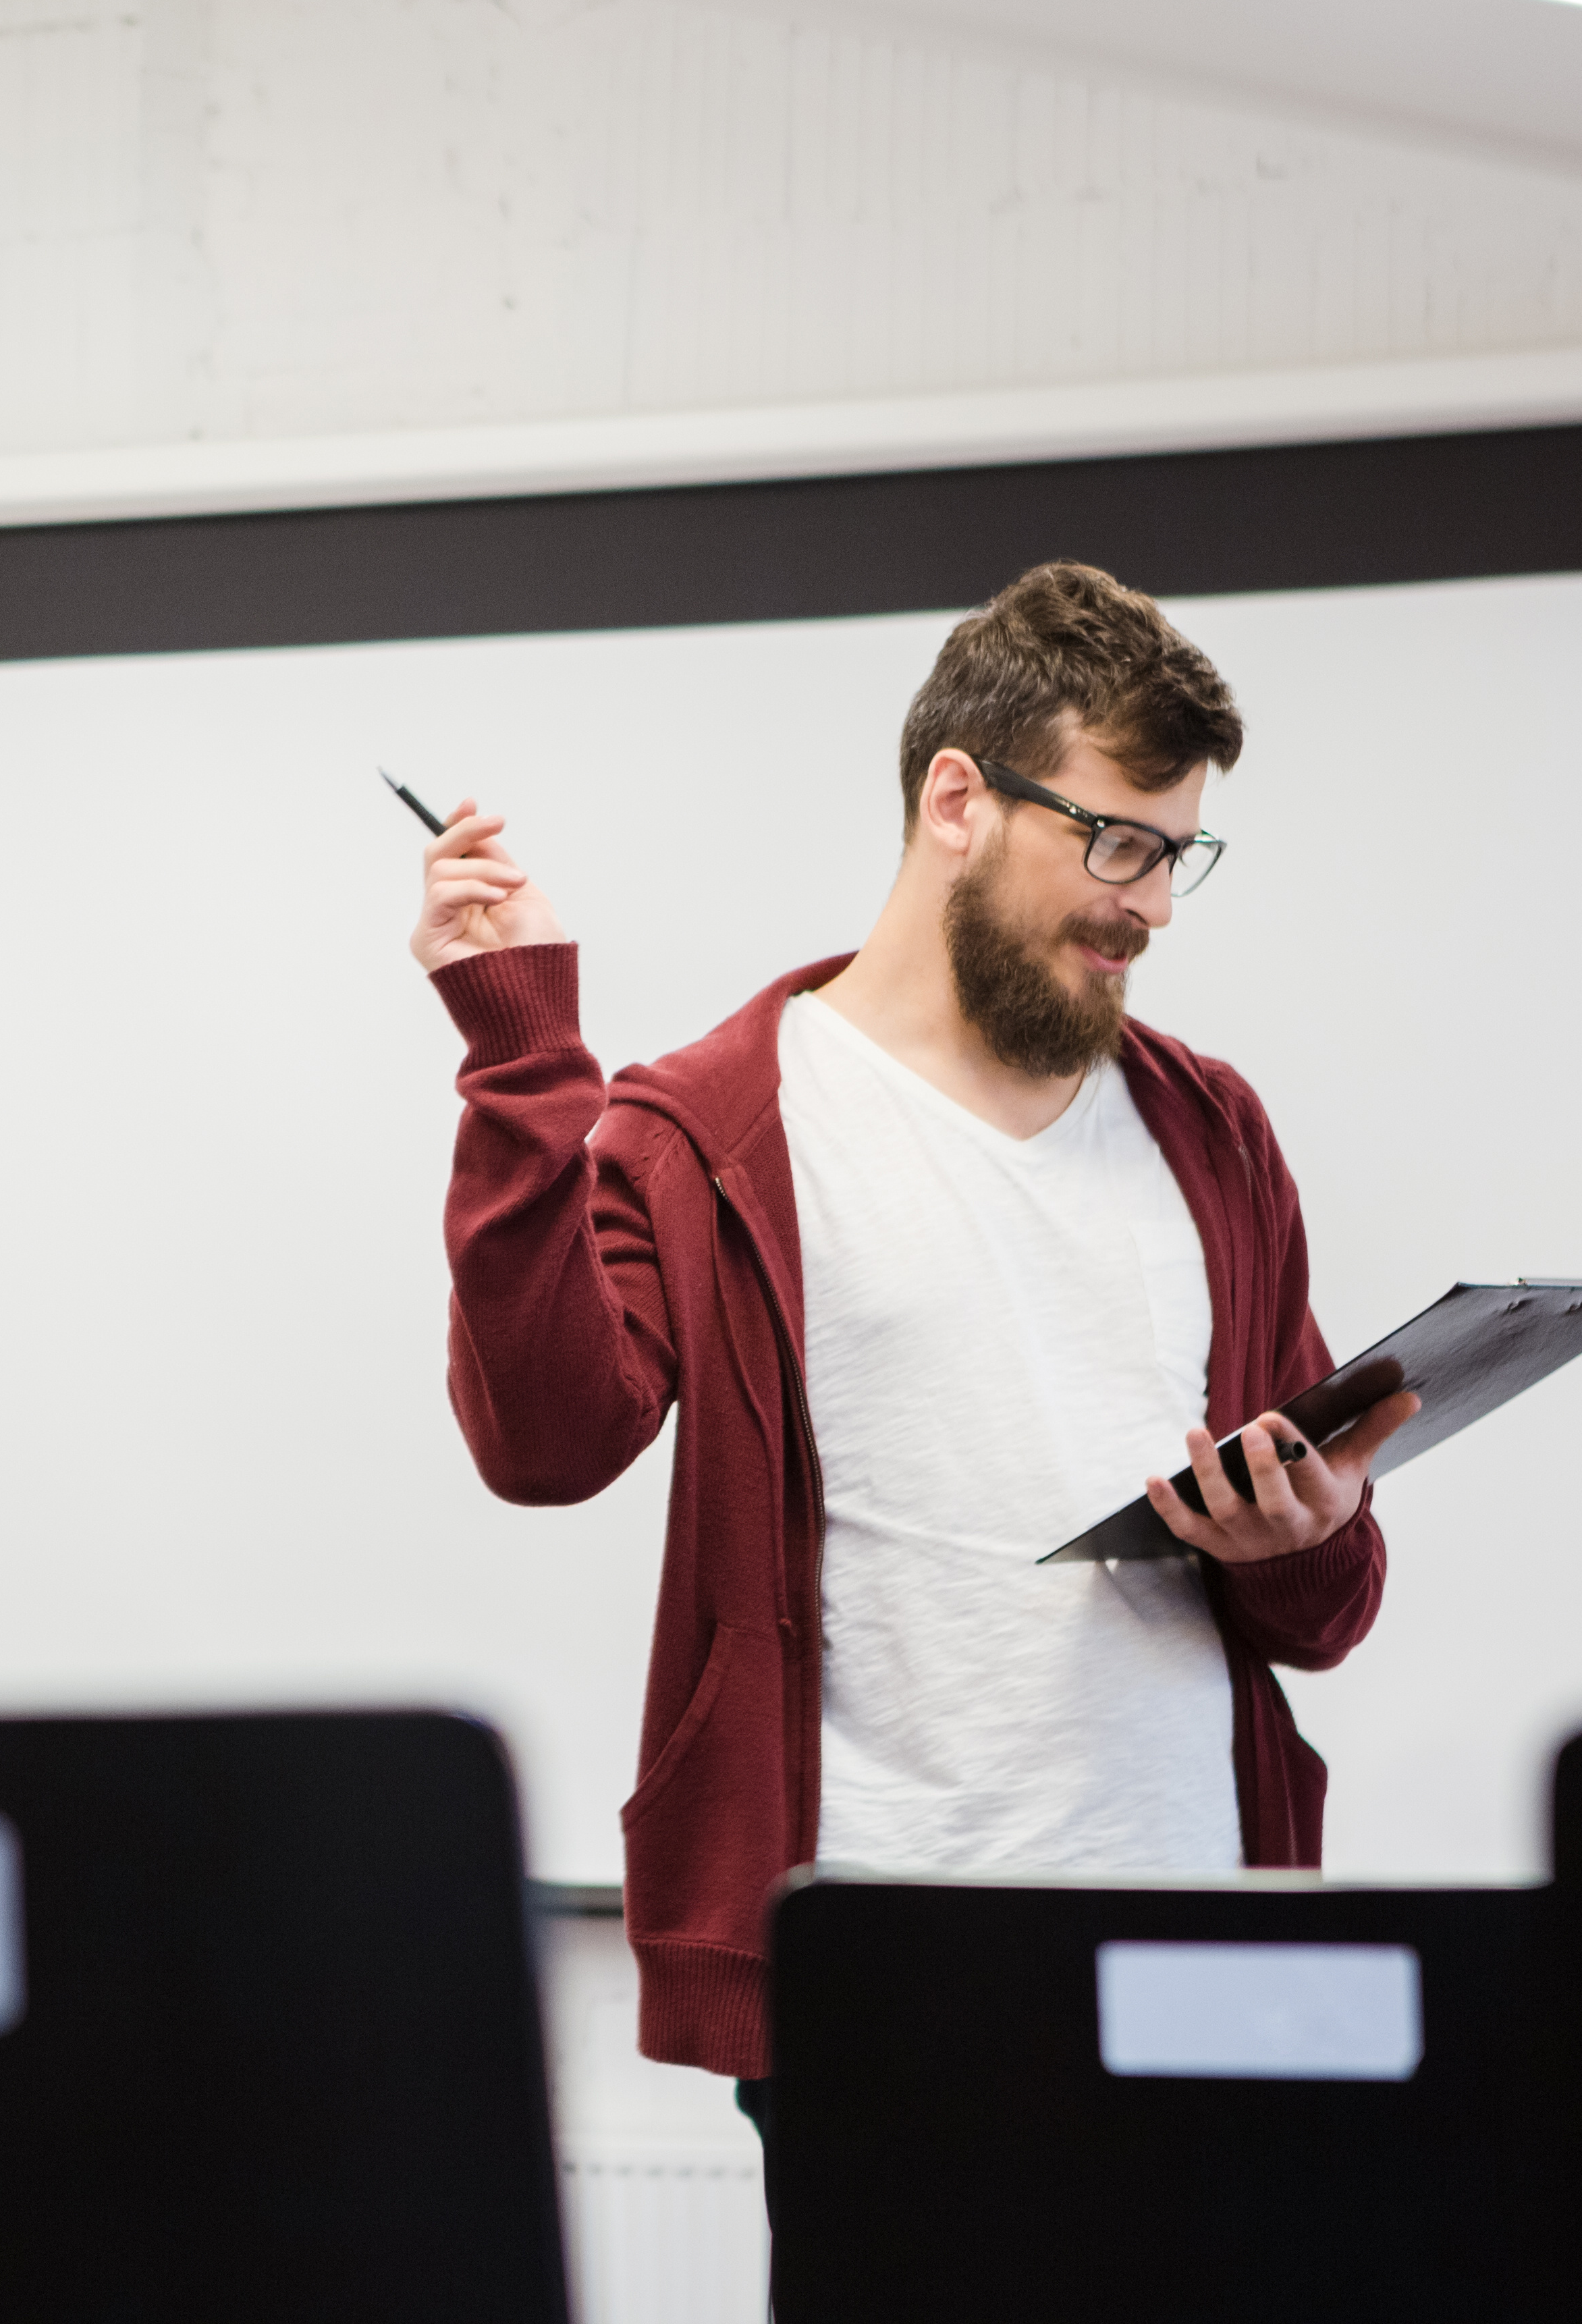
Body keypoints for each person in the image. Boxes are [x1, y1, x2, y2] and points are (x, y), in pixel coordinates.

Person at [410, 560, 1418, 2094]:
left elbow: (1323, 1619)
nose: (1146, 905)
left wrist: (1306, 1537)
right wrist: (522, 1054)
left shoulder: (1211, 1131)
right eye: (1118, 842)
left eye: (1178, 855)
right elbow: (545, 1443)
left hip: (1206, 1953)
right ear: (960, 799)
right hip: (879, 1982)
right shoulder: (714, 1130)